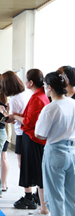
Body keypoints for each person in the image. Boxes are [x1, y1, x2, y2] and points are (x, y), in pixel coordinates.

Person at [1, 69, 50, 213]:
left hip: (32, 137)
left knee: (31, 170)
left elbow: (29, 121)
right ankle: (40, 202)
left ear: (31, 82)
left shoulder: (37, 97)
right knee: (35, 171)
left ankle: (38, 203)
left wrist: (14, 117)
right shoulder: (34, 95)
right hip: (34, 137)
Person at [35, 71, 75, 216]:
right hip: (72, 150)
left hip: (55, 151)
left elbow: (40, 134)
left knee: (55, 196)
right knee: (72, 196)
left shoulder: (51, 107)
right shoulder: (73, 103)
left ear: (49, 87)